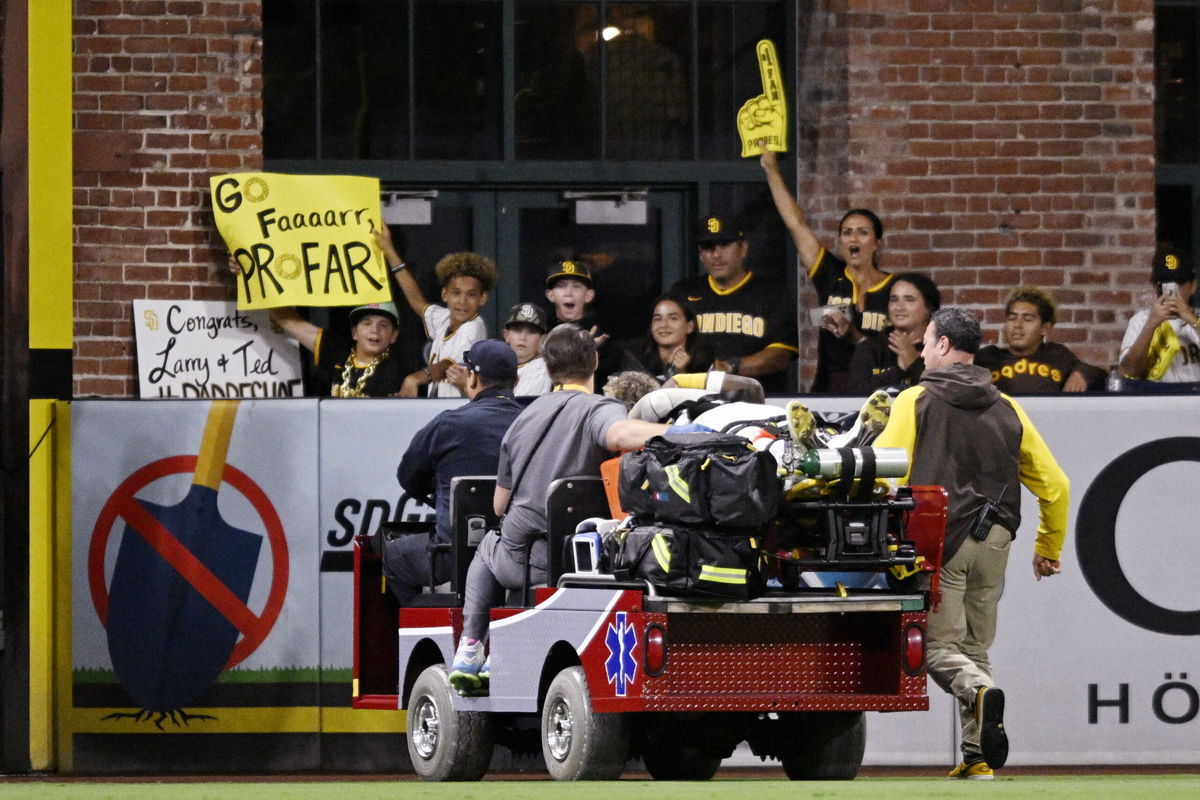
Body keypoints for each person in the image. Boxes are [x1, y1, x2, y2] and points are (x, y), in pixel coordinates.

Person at [873, 307, 1069, 780]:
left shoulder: (914, 399)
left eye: (925, 342)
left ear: (943, 346)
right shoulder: (1008, 406)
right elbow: (1056, 486)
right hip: (996, 538)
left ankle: (978, 696)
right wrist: (1048, 546)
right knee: (975, 649)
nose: (919, 351)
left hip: (940, 540)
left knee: (938, 648)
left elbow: (885, 474)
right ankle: (977, 757)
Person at [448, 325, 669, 694]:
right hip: (577, 563)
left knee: (485, 547)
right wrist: (679, 431)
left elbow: (498, 504)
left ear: (547, 368)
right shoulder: (601, 407)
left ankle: (470, 648)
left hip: (517, 563)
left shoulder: (523, 417)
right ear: (595, 361)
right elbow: (617, 436)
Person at [378, 340, 524, 604]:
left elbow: (408, 477)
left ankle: (426, 631)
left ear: (473, 378)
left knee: (393, 555)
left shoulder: (447, 424)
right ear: (517, 379)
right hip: (518, 554)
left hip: (453, 554)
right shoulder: (533, 424)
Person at [761, 148, 895, 391]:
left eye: (863, 232)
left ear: (877, 244)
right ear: (841, 242)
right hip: (831, 384)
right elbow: (796, 224)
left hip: (878, 386)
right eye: (846, 232)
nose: (853, 237)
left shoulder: (895, 289)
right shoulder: (831, 274)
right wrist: (771, 168)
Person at [670, 215, 799, 393]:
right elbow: (664, 342)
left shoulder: (771, 292)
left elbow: (781, 355)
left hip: (758, 401)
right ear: (701, 255)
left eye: (724, 245)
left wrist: (730, 367)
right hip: (696, 399)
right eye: (708, 247)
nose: (716, 254)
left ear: (743, 248)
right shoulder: (684, 292)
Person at [373, 224, 496, 398]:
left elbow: (447, 366)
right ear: (444, 294)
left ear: (482, 298)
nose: (462, 301)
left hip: (460, 412)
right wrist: (390, 252)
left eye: (471, 294)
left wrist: (414, 379)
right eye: (456, 293)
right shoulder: (445, 317)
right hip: (442, 409)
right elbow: (417, 301)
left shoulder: (473, 328)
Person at [974, 286, 1104, 393]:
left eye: (1028, 319)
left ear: (1045, 328)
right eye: (1012, 318)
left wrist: (1082, 374)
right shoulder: (988, 357)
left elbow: (1100, 375)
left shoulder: (1057, 355)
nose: (1017, 325)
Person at [270, 301, 406, 398]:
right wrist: (259, 290)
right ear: (355, 333)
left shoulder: (398, 371)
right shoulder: (338, 350)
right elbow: (290, 322)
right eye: (367, 323)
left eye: (383, 325)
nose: (375, 330)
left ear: (394, 336)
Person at [544, 259, 643, 389]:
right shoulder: (541, 333)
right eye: (561, 286)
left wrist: (589, 352)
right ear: (550, 295)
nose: (568, 293)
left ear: (589, 295)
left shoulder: (604, 341)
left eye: (576, 286)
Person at [1117, 247, 1200, 385]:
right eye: (1164, 283)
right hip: (1158, 399)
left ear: (1193, 286)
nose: (1171, 289)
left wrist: (1191, 319)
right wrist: (1151, 324)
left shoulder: (1197, 317)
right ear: (1156, 288)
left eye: (1178, 283)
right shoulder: (1141, 321)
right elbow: (1129, 372)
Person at [847, 272, 941, 393]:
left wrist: (914, 364)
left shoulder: (941, 348)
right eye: (894, 299)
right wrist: (899, 370)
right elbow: (854, 396)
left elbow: (945, 395)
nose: (898, 307)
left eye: (909, 300)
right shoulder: (869, 349)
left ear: (929, 308)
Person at [637, 294, 715, 382]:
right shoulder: (637, 364)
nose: (663, 325)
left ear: (689, 326)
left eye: (673, 318)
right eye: (657, 319)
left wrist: (682, 374)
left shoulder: (707, 366)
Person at [502, 302, 552, 396]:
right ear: (506, 335)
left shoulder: (539, 372)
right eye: (517, 330)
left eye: (531, 332)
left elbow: (517, 409)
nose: (523, 337)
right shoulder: (500, 365)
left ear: (542, 340)